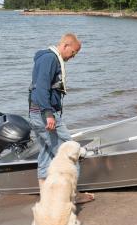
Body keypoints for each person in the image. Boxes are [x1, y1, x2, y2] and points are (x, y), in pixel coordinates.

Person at [28, 33, 94, 204]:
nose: (73, 57)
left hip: (38, 113)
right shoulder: (50, 59)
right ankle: (73, 195)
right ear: (65, 46)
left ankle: (46, 196)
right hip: (44, 115)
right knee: (70, 152)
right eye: (73, 53)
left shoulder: (48, 58)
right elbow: (41, 88)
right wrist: (49, 114)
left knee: (46, 154)